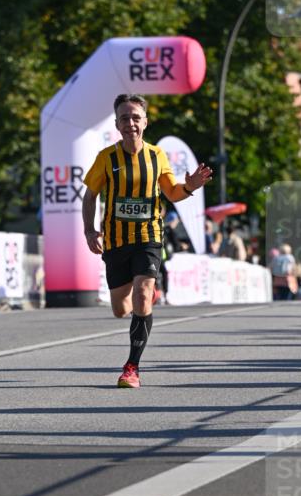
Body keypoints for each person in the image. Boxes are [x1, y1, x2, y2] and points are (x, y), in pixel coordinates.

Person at [82, 93, 212, 388]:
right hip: (115, 242)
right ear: (117, 124)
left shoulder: (157, 156)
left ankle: (132, 367)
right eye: (125, 118)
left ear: (145, 122)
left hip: (148, 237)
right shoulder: (106, 158)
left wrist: (189, 186)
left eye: (135, 117)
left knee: (142, 295)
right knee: (120, 309)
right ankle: (144, 293)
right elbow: (90, 196)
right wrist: (90, 231)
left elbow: (172, 192)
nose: (130, 123)